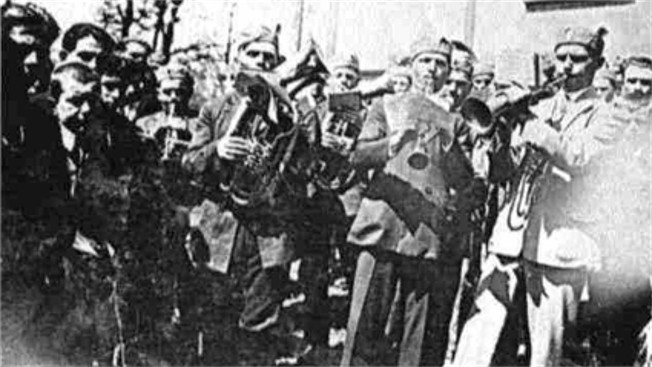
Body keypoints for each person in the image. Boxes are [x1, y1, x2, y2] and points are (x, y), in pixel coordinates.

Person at [453, 26, 618, 367]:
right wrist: (498, 137)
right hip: (510, 240)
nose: (567, 66)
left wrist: (527, 121)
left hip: (558, 247)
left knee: (546, 353)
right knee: (478, 344)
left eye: (578, 59)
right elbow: (505, 173)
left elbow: (578, 158)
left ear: (597, 63)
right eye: (561, 58)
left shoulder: (608, 115)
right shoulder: (539, 106)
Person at [340, 35, 483, 366]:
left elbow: (466, 181)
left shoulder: (456, 120)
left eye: (440, 64)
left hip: (427, 236)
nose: (432, 69)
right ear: (412, 64)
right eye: (426, 61)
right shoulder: (386, 105)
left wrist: (450, 146)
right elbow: (357, 156)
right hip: (381, 227)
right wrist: (389, 145)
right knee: (363, 327)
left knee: (418, 340)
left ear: (449, 72)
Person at [182, 25, 306, 364]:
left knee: (259, 328)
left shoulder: (291, 115)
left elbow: (303, 173)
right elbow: (189, 164)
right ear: (239, 57)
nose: (262, 61)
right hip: (221, 229)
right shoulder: (214, 108)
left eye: (269, 57)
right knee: (215, 324)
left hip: (267, 235)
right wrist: (218, 150)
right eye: (254, 54)